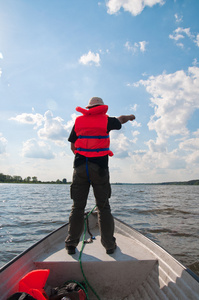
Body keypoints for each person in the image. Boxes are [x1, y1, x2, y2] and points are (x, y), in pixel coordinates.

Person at [65, 97, 135, 255]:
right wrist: (130, 117)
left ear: (89, 108)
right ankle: (109, 246)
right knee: (103, 208)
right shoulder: (106, 121)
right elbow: (121, 119)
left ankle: (71, 245)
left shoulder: (79, 121)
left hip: (80, 167)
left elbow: (72, 146)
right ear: (102, 107)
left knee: (77, 208)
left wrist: (82, 159)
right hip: (100, 169)